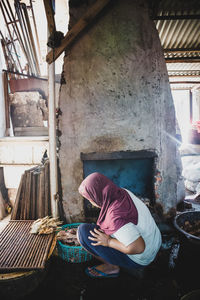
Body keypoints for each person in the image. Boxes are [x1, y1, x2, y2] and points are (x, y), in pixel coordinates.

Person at [77, 172, 162, 278]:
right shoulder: (121, 192)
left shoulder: (114, 216)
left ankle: (112, 267)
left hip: (142, 256)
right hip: (155, 241)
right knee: (94, 231)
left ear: (96, 196)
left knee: (83, 233)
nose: (90, 202)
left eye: (90, 199)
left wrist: (108, 241)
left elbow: (138, 247)